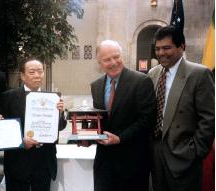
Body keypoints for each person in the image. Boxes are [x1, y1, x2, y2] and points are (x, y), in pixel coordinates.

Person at [148, 26, 215, 191]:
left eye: (167, 48)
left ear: (181, 47)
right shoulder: (153, 74)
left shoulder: (199, 74)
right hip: (155, 156)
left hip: (185, 158)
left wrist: (195, 151)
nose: (161, 53)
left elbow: (209, 118)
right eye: (158, 48)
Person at [89, 40, 156, 191]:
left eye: (116, 57)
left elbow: (147, 120)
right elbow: (99, 120)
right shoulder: (96, 85)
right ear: (99, 62)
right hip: (104, 164)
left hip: (133, 163)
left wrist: (120, 138)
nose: (113, 62)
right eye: (107, 59)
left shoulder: (141, 81)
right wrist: (87, 138)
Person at [0, 59, 67, 191]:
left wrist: (60, 113)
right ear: (23, 75)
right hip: (18, 161)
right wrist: (21, 141)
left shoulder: (52, 98)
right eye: (32, 72)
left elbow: (60, 127)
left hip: (44, 161)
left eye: (40, 71)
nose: (37, 75)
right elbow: (3, 130)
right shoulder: (8, 98)